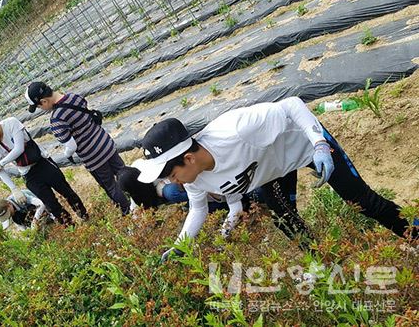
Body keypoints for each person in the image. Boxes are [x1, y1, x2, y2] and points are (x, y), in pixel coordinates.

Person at [134, 97, 417, 261]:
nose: (176, 184)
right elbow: (198, 209)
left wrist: (318, 143)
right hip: (271, 171)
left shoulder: (236, 130)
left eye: (172, 175)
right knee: (286, 220)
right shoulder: (194, 179)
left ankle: (415, 235)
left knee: (364, 201)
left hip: (304, 146)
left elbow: (292, 105)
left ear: (189, 158)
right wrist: (180, 246)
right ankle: (325, 265)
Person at [25, 81, 131, 215]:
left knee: (111, 186)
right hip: (106, 143)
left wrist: (67, 154)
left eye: (39, 107)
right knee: (123, 172)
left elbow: (71, 146)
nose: (42, 109)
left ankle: (129, 211)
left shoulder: (56, 119)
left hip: (93, 157)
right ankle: (139, 196)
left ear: (44, 101)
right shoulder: (73, 97)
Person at [0, 115, 87, 225]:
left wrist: (1, 163)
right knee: (51, 204)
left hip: (43, 163)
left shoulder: (11, 123)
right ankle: (70, 226)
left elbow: (19, 148)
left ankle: (84, 216)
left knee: (66, 191)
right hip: (29, 174)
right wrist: (14, 189)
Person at [119, 164, 265, 236]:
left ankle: (226, 202)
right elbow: (136, 207)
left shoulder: (152, 172)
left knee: (171, 191)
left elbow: (174, 172)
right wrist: (133, 233)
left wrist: (223, 235)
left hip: (200, 187)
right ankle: (219, 205)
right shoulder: (138, 187)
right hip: (200, 193)